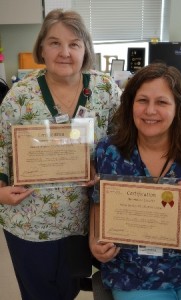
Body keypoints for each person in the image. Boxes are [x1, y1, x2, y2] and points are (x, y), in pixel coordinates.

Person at [0, 9, 121, 300]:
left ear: (86, 50)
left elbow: (123, 143)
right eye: (54, 43)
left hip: (82, 220)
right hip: (30, 221)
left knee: (68, 290)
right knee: (38, 294)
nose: (64, 52)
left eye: (74, 44)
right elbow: (1, 147)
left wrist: (102, 169)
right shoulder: (20, 96)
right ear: (41, 47)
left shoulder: (106, 90)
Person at [89, 63, 181, 300]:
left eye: (161, 102)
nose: (150, 111)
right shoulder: (109, 151)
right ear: (130, 104)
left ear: (178, 107)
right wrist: (95, 242)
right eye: (142, 101)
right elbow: (98, 202)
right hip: (133, 273)